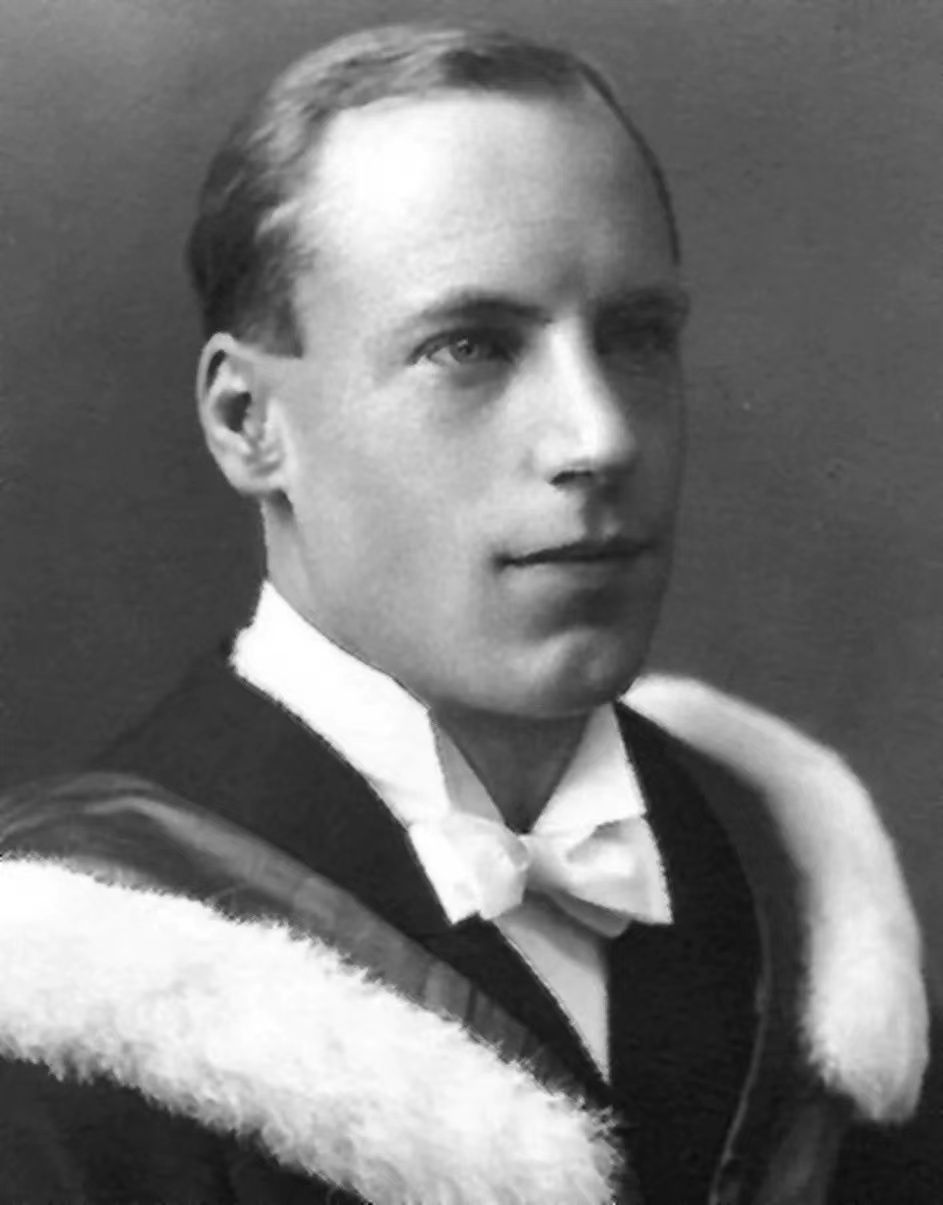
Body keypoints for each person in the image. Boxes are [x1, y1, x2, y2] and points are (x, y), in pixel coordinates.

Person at [0, 22, 935, 1204]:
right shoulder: (67, 982)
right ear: (249, 422)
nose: (598, 437)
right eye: (470, 347)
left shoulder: (788, 873)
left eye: (636, 336)